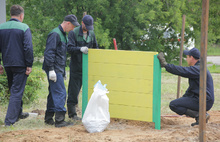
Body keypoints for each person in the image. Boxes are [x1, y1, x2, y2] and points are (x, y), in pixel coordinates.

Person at [157, 48, 214, 126]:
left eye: (187, 57)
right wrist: (183, 99)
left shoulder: (198, 69)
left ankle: (201, 116)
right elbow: (192, 88)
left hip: (204, 101)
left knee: (174, 105)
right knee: (177, 103)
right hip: (203, 99)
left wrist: (166, 65)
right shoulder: (199, 68)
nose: (186, 59)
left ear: (192, 57)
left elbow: (182, 70)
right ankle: (200, 116)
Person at [42, 14, 80, 127]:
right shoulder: (55, 34)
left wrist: (62, 71)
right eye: (72, 26)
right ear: (68, 23)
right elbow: (49, 53)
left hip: (58, 68)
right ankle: (59, 120)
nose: (73, 29)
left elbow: (61, 54)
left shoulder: (63, 35)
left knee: (53, 93)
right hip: (54, 68)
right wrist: (51, 70)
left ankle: (49, 118)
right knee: (61, 93)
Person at [0, 5, 34, 126]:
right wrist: (29, 64)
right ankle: (9, 121)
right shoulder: (24, 27)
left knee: (13, 89)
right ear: (21, 15)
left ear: (11, 15)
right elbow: (28, 47)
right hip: (20, 65)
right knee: (16, 91)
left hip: (7, 64)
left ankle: (18, 113)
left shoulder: (1, 27)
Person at [67, 15, 98, 120]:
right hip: (76, 67)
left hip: (88, 68)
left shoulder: (92, 34)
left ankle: (90, 112)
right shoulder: (73, 33)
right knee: (73, 91)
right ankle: (72, 114)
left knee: (90, 91)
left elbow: (96, 48)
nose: (88, 28)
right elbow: (69, 48)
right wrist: (80, 49)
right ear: (82, 23)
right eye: (87, 26)